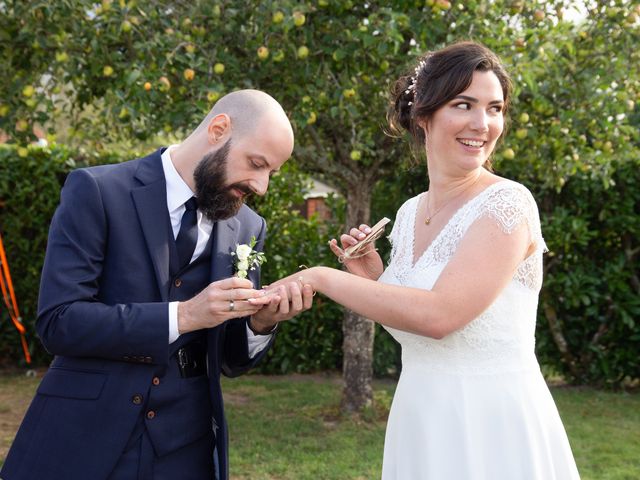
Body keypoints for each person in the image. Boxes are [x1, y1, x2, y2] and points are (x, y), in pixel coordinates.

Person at [271, 42, 581, 479]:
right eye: (464, 105)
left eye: (495, 108)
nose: (483, 124)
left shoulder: (508, 205)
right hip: (422, 415)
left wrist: (323, 278)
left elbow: (440, 316)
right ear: (423, 116)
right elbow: (416, 329)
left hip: (491, 423)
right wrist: (373, 280)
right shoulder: (409, 212)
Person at [1, 89, 313, 480]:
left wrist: (260, 324)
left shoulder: (248, 227)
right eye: (256, 163)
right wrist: (184, 315)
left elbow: (229, 360)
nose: (261, 186)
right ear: (219, 129)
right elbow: (59, 322)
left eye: (271, 173)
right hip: (83, 438)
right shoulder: (97, 191)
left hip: (186, 449)